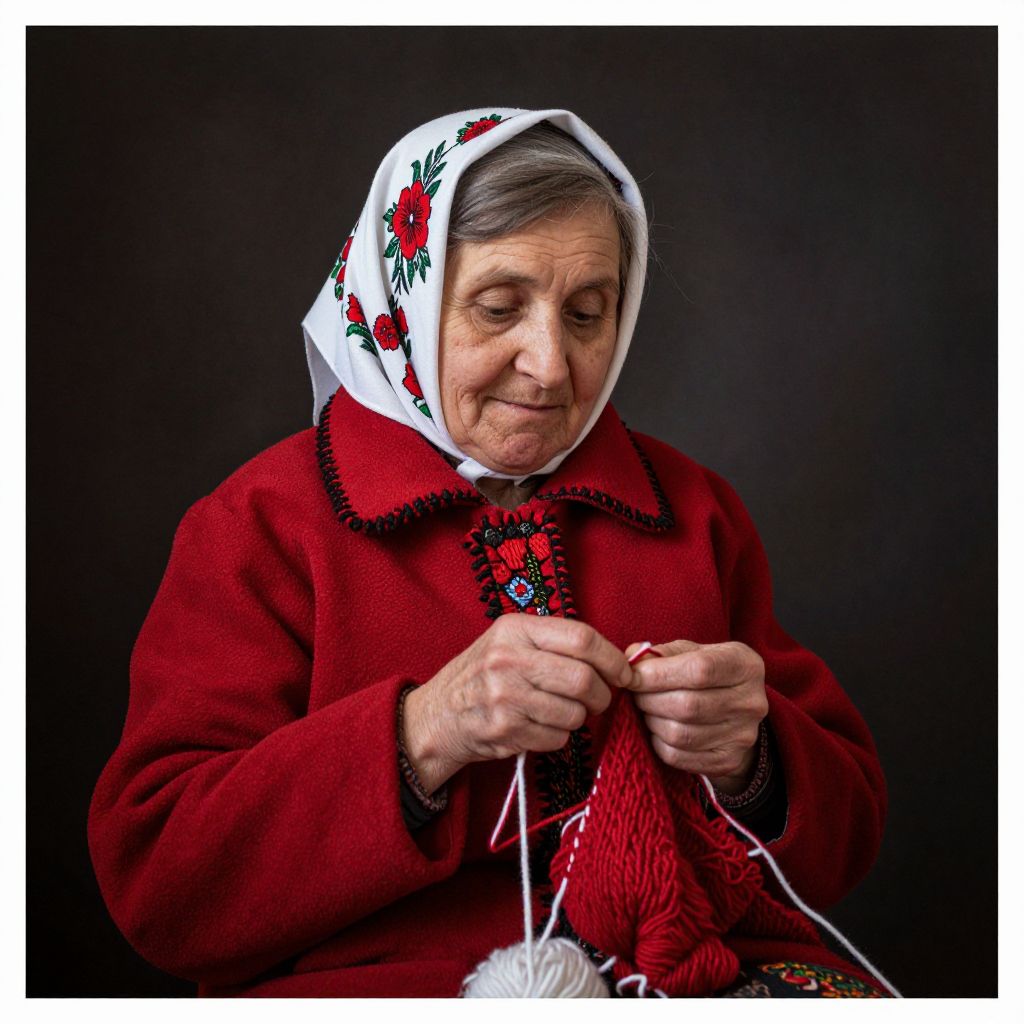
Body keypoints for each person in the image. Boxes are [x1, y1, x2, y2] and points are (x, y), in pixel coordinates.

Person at [88, 107, 890, 998]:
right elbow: (162, 886)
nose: (550, 364)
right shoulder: (262, 526)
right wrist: (426, 732)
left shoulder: (696, 511)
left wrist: (752, 759)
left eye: (587, 314)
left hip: (682, 978)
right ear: (403, 304)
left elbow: (845, 842)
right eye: (499, 308)